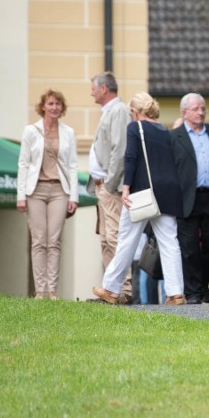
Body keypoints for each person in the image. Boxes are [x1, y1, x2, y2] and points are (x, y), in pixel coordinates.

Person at [93, 93, 186, 305]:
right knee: (170, 242)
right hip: (169, 192)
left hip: (143, 193)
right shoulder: (166, 131)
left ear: (135, 112)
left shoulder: (135, 128)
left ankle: (111, 288)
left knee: (127, 239)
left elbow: (131, 157)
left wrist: (125, 188)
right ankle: (175, 292)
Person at [17, 89, 79, 299]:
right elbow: (23, 163)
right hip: (36, 189)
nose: (54, 107)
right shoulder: (31, 131)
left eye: (58, 104)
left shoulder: (68, 132)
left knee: (54, 240)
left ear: (62, 108)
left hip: (59, 190)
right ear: (43, 106)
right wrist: (21, 195)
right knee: (38, 240)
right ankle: (39, 291)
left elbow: (72, 165)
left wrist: (74, 197)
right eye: (51, 104)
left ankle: (52, 291)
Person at [170, 93, 209, 304]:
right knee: (189, 246)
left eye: (203, 108)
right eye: (196, 109)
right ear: (184, 113)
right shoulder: (174, 137)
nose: (201, 112)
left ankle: (202, 284)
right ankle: (193, 292)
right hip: (186, 198)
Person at [87, 72, 133, 302]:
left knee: (115, 237)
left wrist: (111, 184)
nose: (91, 92)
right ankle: (110, 289)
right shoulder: (109, 111)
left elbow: (120, 149)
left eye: (93, 88)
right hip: (102, 186)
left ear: (104, 89)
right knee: (106, 239)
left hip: (110, 186)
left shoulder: (119, 110)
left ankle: (123, 289)